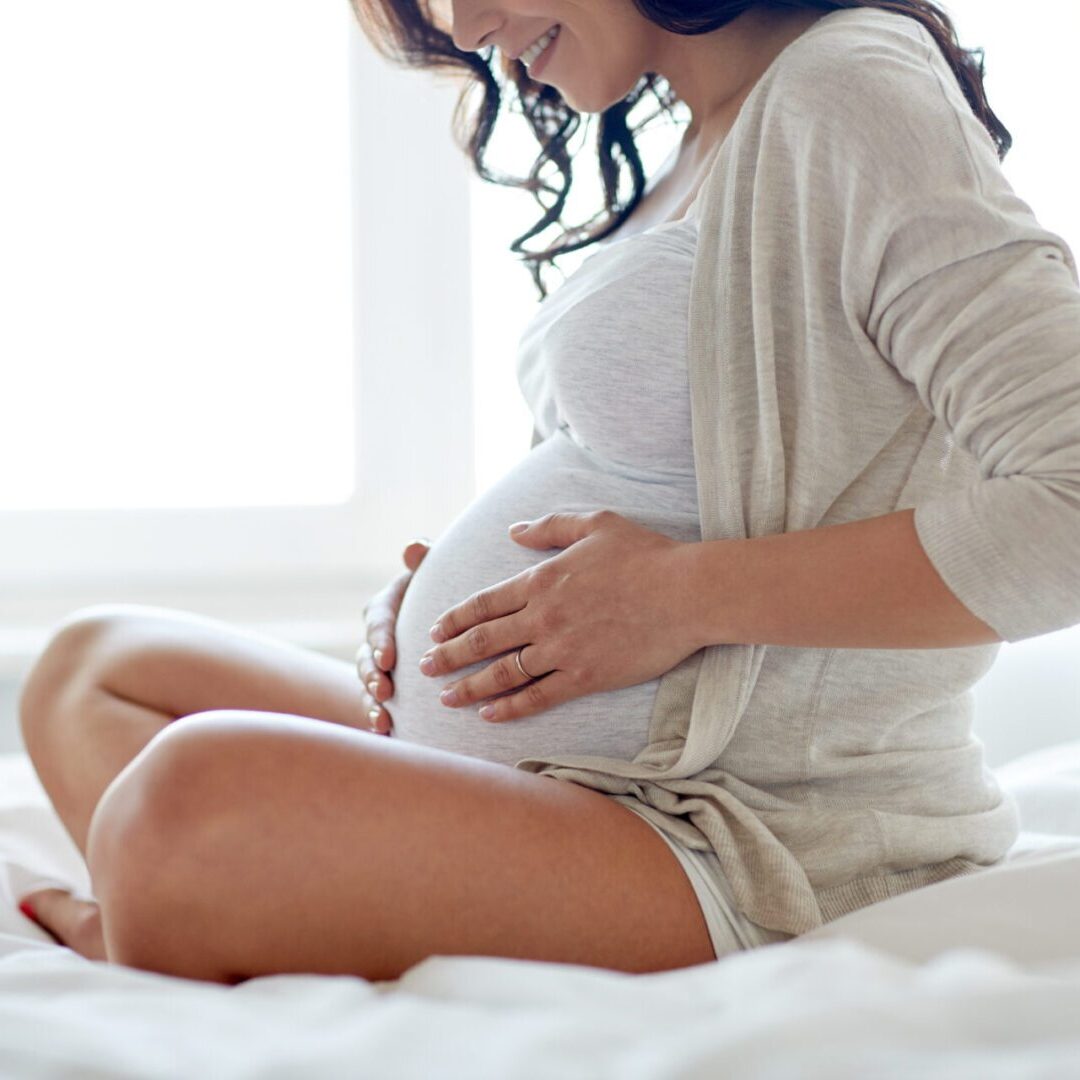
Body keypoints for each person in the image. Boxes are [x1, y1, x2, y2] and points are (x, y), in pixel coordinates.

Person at [16, 0, 1080, 984]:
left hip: (733, 831)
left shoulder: (849, 88)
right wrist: (445, 607)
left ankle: (167, 919)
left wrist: (676, 598)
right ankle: (222, 908)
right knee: (91, 672)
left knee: (178, 802)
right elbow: (667, 490)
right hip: (559, 773)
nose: (470, 27)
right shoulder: (694, 145)